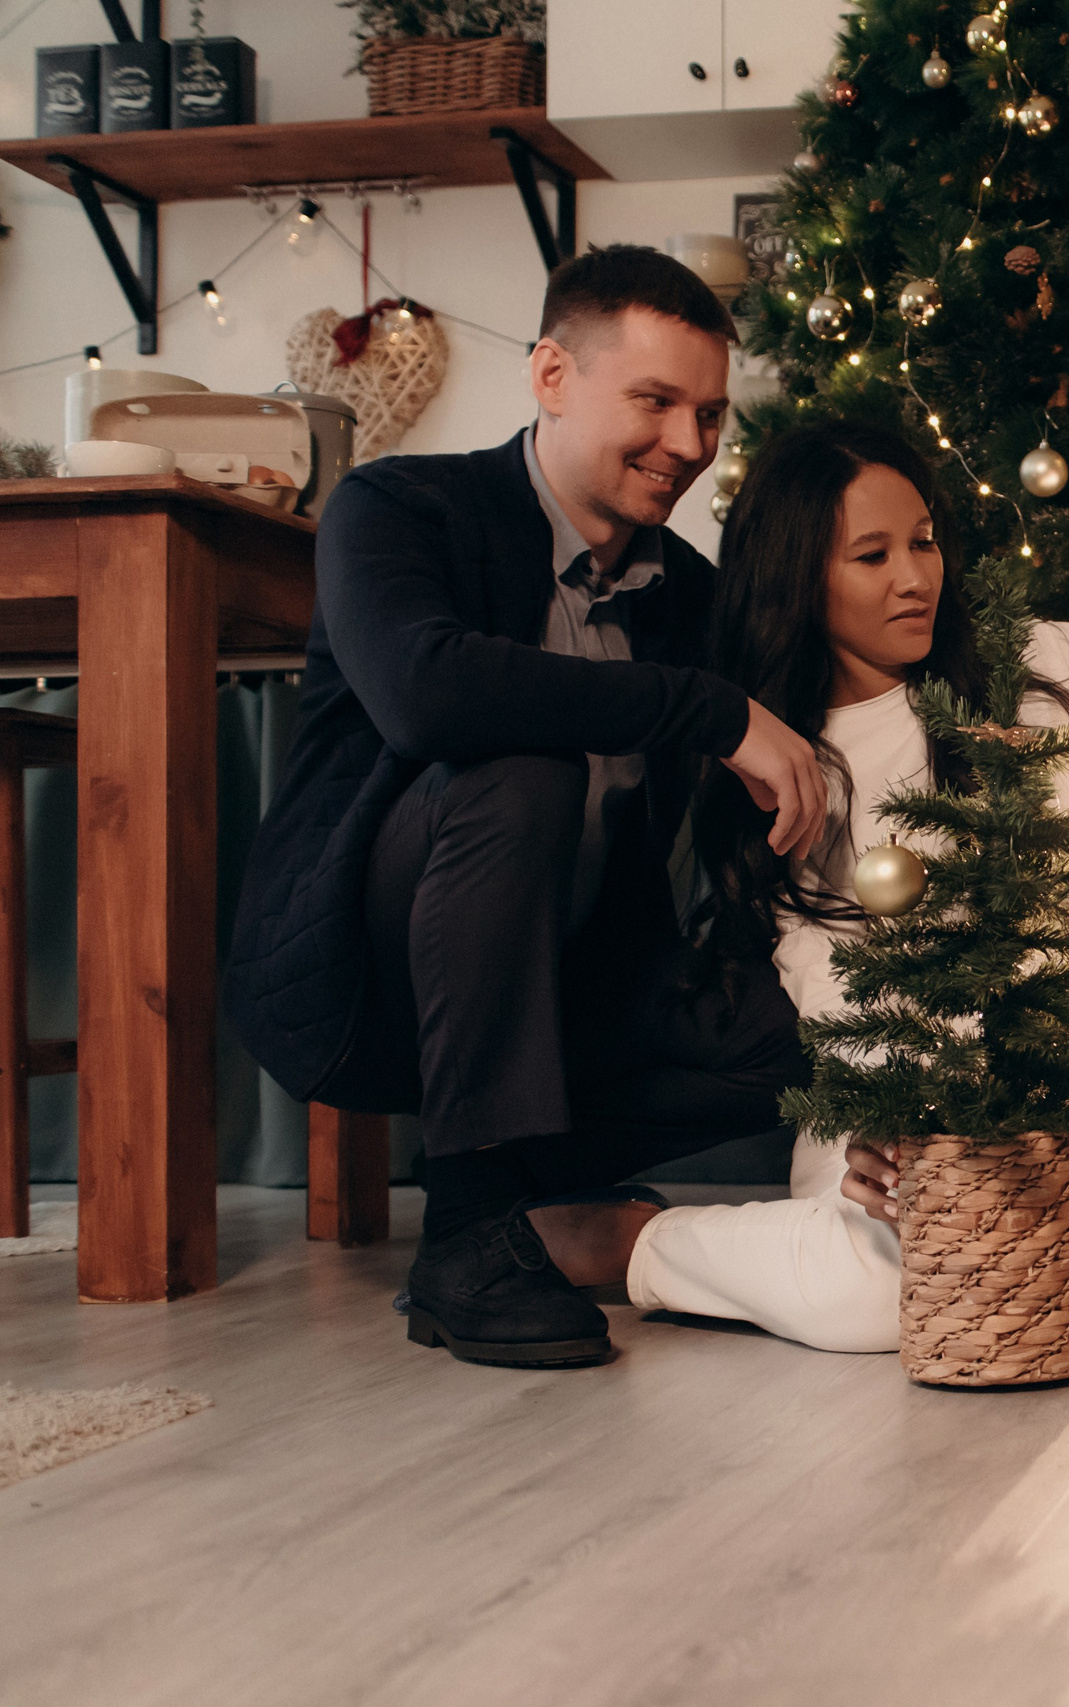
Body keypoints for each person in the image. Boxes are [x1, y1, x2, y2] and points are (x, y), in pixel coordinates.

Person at [550, 421, 1069, 1350]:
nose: (916, 577)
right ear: (798, 578)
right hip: (894, 1139)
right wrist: (891, 1129)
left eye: (925, 541)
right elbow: (827, 979)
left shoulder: (1038, 675)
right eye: (873, 555)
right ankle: (647, 1242)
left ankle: (965, 1264)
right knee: (881, 1289)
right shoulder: (789, 762)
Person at [224, 246, 830, 1370]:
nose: (689, 447)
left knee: (803, 1033)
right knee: (523, 762)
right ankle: (465, 1230)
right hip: (366, 979)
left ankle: (540, 1191)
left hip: (573, 988)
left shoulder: (686, 597)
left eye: (708, 414)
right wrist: (702, 708)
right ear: (551, 376)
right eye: (654, 403)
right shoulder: (397, 505)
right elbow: (426, 695)